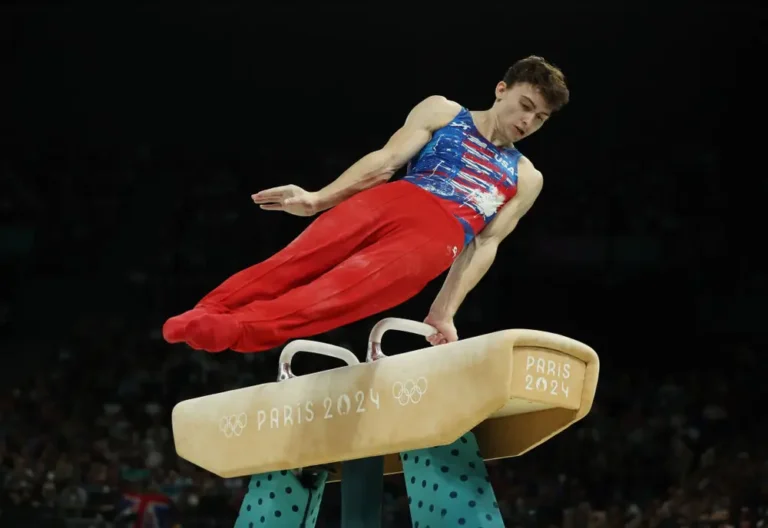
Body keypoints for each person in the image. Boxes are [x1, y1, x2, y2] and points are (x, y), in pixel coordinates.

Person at [162, 55, 569, 353]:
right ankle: (206, 310)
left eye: (541, 118)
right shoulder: (444, 112)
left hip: (436, 238)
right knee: (293, 261)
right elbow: (386, 161)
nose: (528, 121)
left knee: (335, 294)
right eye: (526, 106)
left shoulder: (526, 177)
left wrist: (443, 311)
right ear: (501, 90)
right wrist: (318, 199)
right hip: (394, 198)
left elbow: (484, 246)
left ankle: (235, 328)